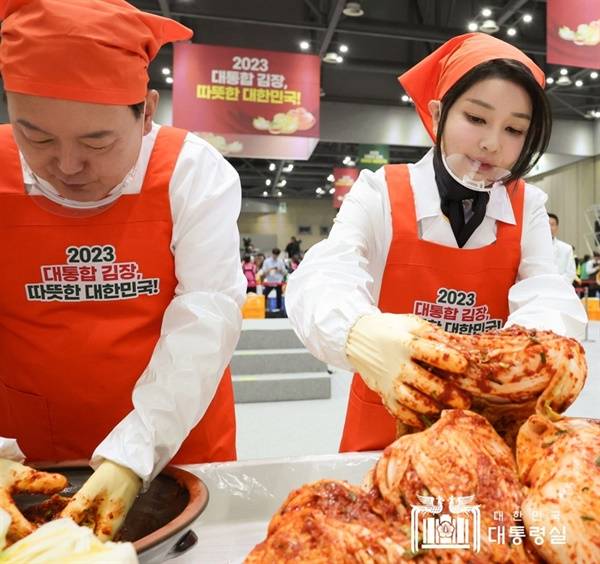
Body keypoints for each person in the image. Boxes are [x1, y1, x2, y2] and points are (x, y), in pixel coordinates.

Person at [0, 0, 245, 541]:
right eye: (36, 137)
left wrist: (137, 449)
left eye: (97, 141)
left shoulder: (191, 171)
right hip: (28, 457)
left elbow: (207, 313)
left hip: (178, 447)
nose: (67, 166)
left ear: (147, 110)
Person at [286, 33, 587, 453]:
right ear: (438, 112)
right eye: (476, 118)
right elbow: (327, 273)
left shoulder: (528, 205)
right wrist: (360, 331)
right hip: (386, 419)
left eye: (514, 129)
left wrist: (506, 363)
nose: (492, 143)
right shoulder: (380, 192)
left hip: (487, 429)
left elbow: (547, 293)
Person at [548, 213, 577, 284]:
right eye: (546, 224)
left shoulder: (566, 248)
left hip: (560, 287)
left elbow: (570, 273)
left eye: (552, 224)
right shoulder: (534, 248)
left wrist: (556, 283)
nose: (549, 227)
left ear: (557, 227)